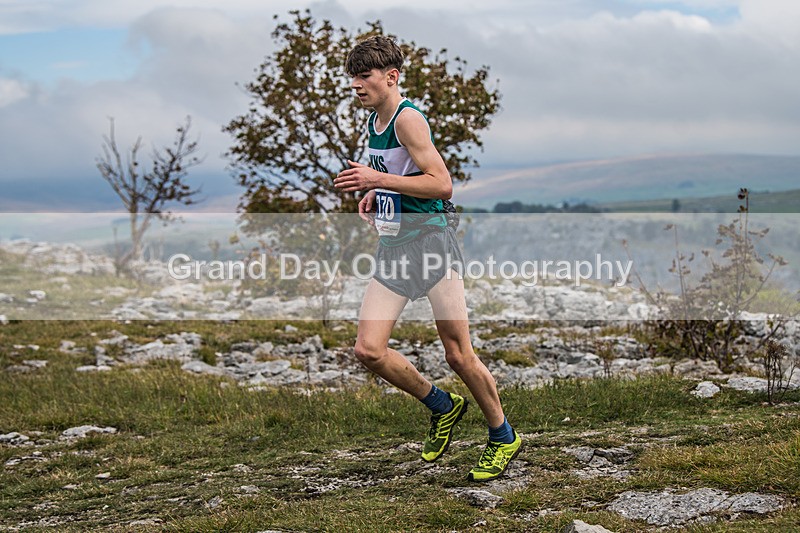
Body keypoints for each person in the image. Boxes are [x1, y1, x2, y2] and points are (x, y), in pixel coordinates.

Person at [333, 35, 521, 482]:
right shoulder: (375, 120)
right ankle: (442, 405)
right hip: (396, 245)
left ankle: (503, 436)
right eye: (352, 77)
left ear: (391, 77)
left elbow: (441, 184)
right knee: (368, 349)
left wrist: (377, 178)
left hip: (433, 243)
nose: (356, 85)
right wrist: (378, 191)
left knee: (458, 354)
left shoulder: (407, 120)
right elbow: (403, 174)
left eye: (365, 77)